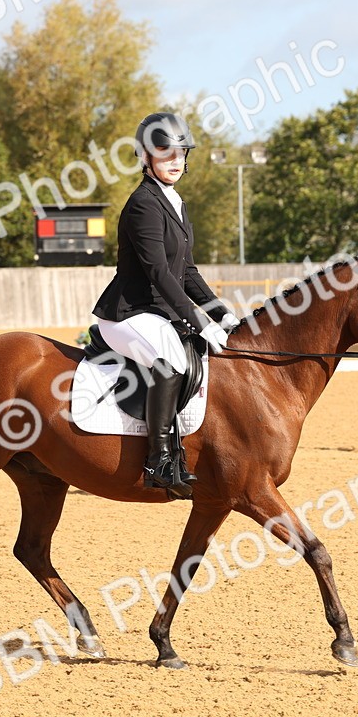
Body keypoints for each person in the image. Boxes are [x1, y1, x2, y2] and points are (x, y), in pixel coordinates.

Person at [91, 112, 239, 497]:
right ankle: (158, 459)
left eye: (181, 152)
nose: (175, 160)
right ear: (145, 157)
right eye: (165, 153)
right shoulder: (143, 203)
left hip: (158, 312)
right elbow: (159, 272)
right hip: (128, 312)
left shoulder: (176, 202)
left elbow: (187, 271)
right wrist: (198, 320)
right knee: (171, 361)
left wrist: (222, 313)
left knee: (195, 352)